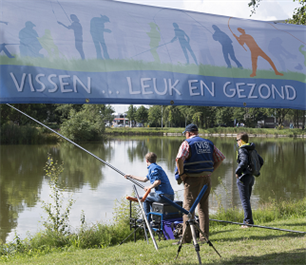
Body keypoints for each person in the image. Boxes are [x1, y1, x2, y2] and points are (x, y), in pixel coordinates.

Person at [175, 124, 225, 243]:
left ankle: (186, 238)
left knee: (188, 208)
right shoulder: (208, 143)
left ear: (188, 133)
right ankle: (204, 237)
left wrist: (181, 174)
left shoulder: (187, 143)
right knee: (203, 208)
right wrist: (211, 170)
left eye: (185, 134)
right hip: (206, 179)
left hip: (192, 179)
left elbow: (179, 159)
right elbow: (221, 158)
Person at [124, 152, 174, 223]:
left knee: (146, 199)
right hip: (170, 195)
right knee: (150, 195)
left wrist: (149, 187)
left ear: (147, 160)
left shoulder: (153, 168)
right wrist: (131, 176)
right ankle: (153, 217)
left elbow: (157, 181)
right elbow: (144, 179)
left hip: (164, 196)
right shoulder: (156, 167)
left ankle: (147, 220)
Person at [235, 132, 264, 228]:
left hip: (244, 177)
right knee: (247, 200)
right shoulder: (252, 149)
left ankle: (248, 222)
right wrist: (254, 170)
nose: (237, 142)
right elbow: (261, 161)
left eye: (237, 140)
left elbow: (243, 162)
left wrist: (238, 172)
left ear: (241, 140)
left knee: (244, 200)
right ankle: (247, 221)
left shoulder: (242, 150)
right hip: (251, 177)